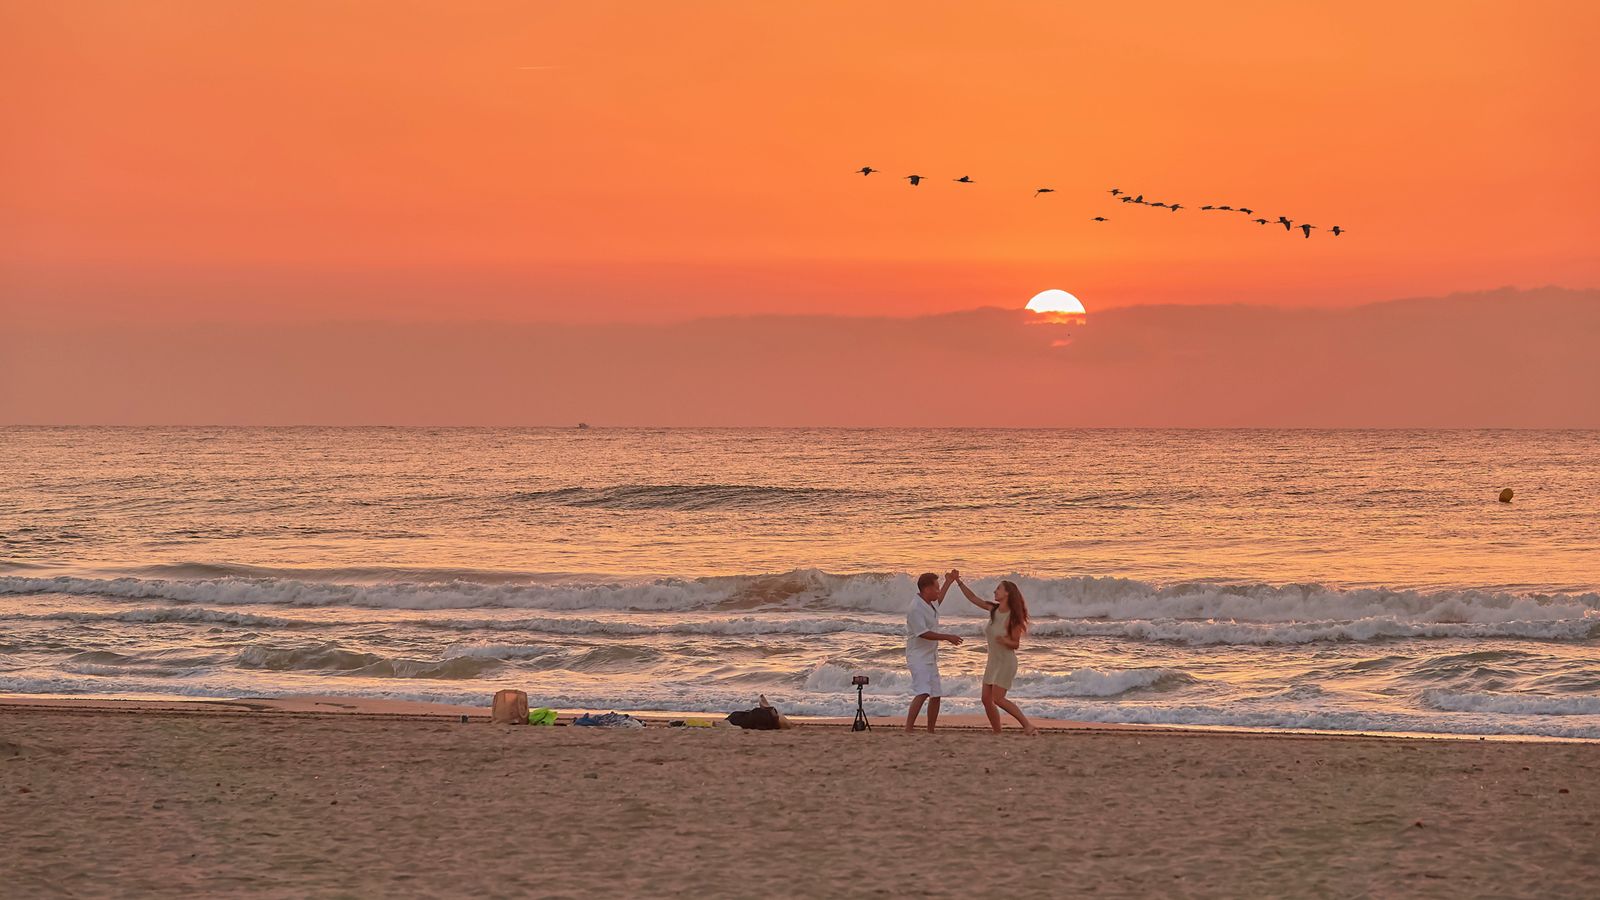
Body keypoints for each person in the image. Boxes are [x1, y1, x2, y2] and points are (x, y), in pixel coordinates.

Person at [952, 572, 1038, 735]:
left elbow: (1016, 644)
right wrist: (958, 581)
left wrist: (1006, 641)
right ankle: (997, 732)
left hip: (1006, 662)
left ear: (1007, 593)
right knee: (986, 699)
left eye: (998, 589)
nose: (995, 592)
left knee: (998, 699)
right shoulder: (994, 609)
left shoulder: (1013, 617)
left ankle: (1027, 725)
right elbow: (973, 598)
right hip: (993, 662)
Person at [905, 571, 962, 733]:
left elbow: (940, 599)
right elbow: (923, 633)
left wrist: (949, 582)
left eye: (938, 587)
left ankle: (930, 730)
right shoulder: (915, 608)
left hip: (930, 656)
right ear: (926, 589)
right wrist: (947, 637)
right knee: (923, 692)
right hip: (917, 657)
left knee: (936, 695)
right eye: (935, 588)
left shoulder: (929, 602)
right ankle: (908, 729)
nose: (938, 591)